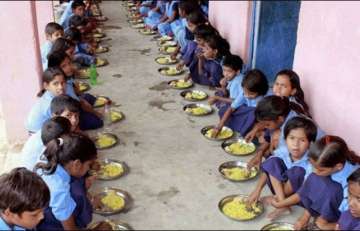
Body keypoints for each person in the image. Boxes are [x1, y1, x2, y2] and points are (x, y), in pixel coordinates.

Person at [270, 136, 360, 230]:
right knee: (314, 179)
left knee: (328, 188)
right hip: (337, 200)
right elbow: (307, 187)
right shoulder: (323, 165)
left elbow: (348, 213)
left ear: (338, 166)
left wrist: (327, 225)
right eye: (314, 167)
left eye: (321, 170)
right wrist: (303, 216)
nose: (316, 171)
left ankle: (324, 218)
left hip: (346, 211)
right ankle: (307, 217)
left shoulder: (351, 181)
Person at [247, 116, 317, 220]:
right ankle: (282, 202)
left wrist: (280, 204)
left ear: (310, 144)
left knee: (297, 172)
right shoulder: (284, 150)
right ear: (285, 139)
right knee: (271, 161)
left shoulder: (311, 162)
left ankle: (281, 203)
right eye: (292, 138)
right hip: (282, 188)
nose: (295, 144)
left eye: (302, 140)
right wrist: (257, 190)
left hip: (300, 195)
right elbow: (269, 168)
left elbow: (304, 192)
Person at [35, 133, 97, 230]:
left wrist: (90, 196)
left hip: (43, 202)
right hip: (45, 223)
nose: (90, 168)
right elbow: (69, 227)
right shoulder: (59, 188)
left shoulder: (51, 154)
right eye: (89, 164)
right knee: (79, 193)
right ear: (76, 164)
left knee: (79, 184)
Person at [48, 51, 103, 130]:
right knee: (97, 122)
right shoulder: (60, 88)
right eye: (64, 66)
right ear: (56, 69)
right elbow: (78, 105)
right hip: (70, 112)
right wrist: (95, 112)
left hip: (74, 104)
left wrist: (81, 98)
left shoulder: (67, 79)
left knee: (88, 97)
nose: (69, 67)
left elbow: (77, 93)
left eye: (69, 63)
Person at [212, 69, 269, 137]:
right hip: (243, 115)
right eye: (245, 92)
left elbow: (262, 119)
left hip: (253, 119)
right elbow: (232, 108)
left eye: (251, 94)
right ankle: (240, 126)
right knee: (223, 111)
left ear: (260, 91)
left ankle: (244, 131)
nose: (247, 96)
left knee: (252, 113)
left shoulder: (262, 101)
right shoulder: (244, 93)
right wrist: (220, 125)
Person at [25, 68, 66, 134]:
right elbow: (60, 124)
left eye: (63, 82)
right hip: (39, 134)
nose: (61, 87)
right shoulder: (50, 104)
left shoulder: (49, 95)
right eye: (56, 84)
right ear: (46, 86)